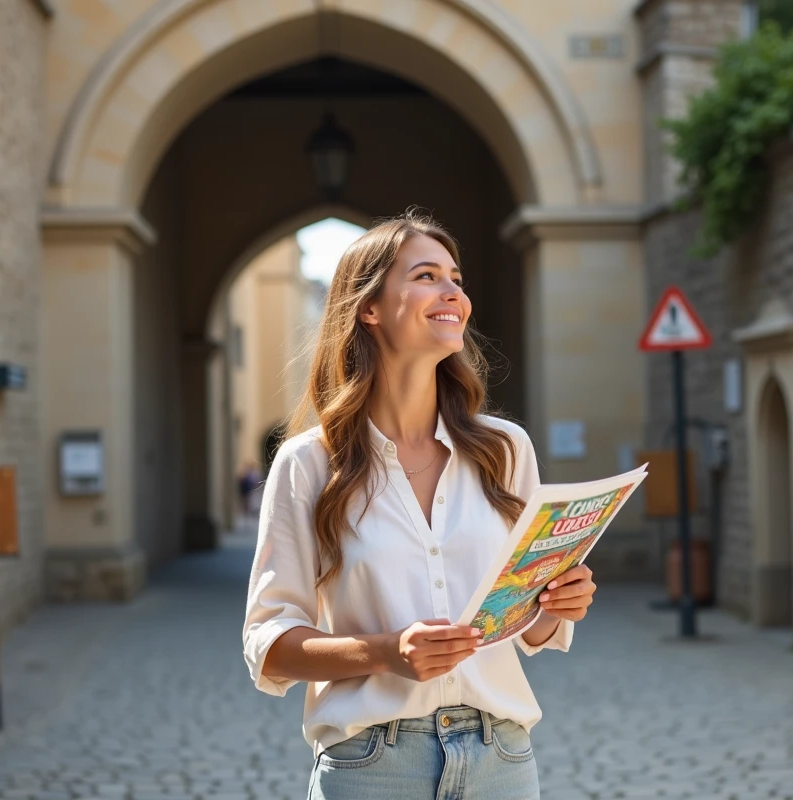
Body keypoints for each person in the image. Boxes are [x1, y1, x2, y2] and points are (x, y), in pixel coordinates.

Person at [242, 210, 597, 799]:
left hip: (501, 761)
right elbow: (269, 644)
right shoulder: (309, 464)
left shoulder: (505, 451)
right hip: (372, 766)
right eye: (427, 275)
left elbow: (530, 631)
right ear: (369, 308)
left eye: (456, 278)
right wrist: (387, 652)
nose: (453, 291)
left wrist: (561, 602)